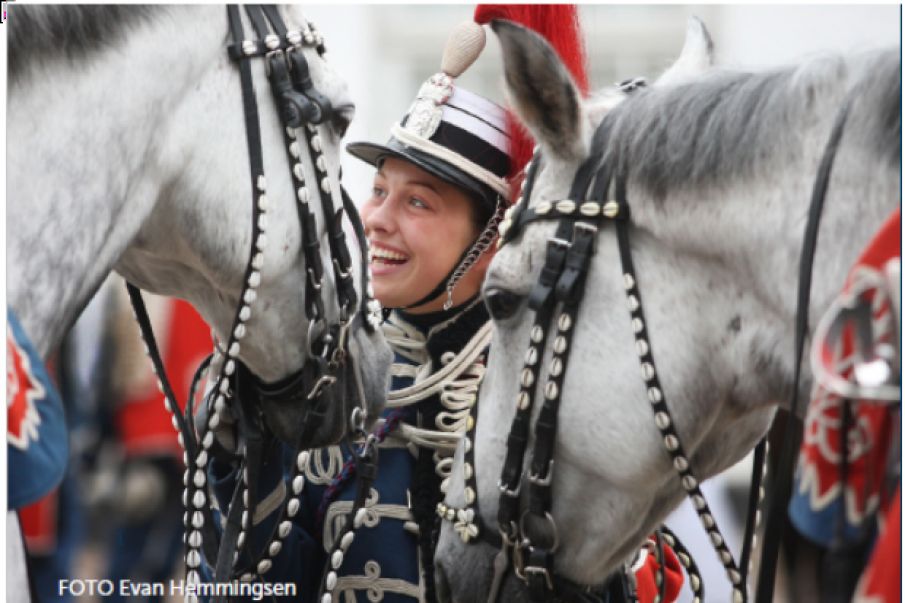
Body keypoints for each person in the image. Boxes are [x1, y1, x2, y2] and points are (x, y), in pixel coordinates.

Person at [205, 15, 683, 603]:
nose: (377, 218)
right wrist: (242, 459)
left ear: (494, 235)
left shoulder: (548, 398)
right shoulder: (342, 385)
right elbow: (279, 587)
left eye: (418, 202)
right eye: (379, 190)